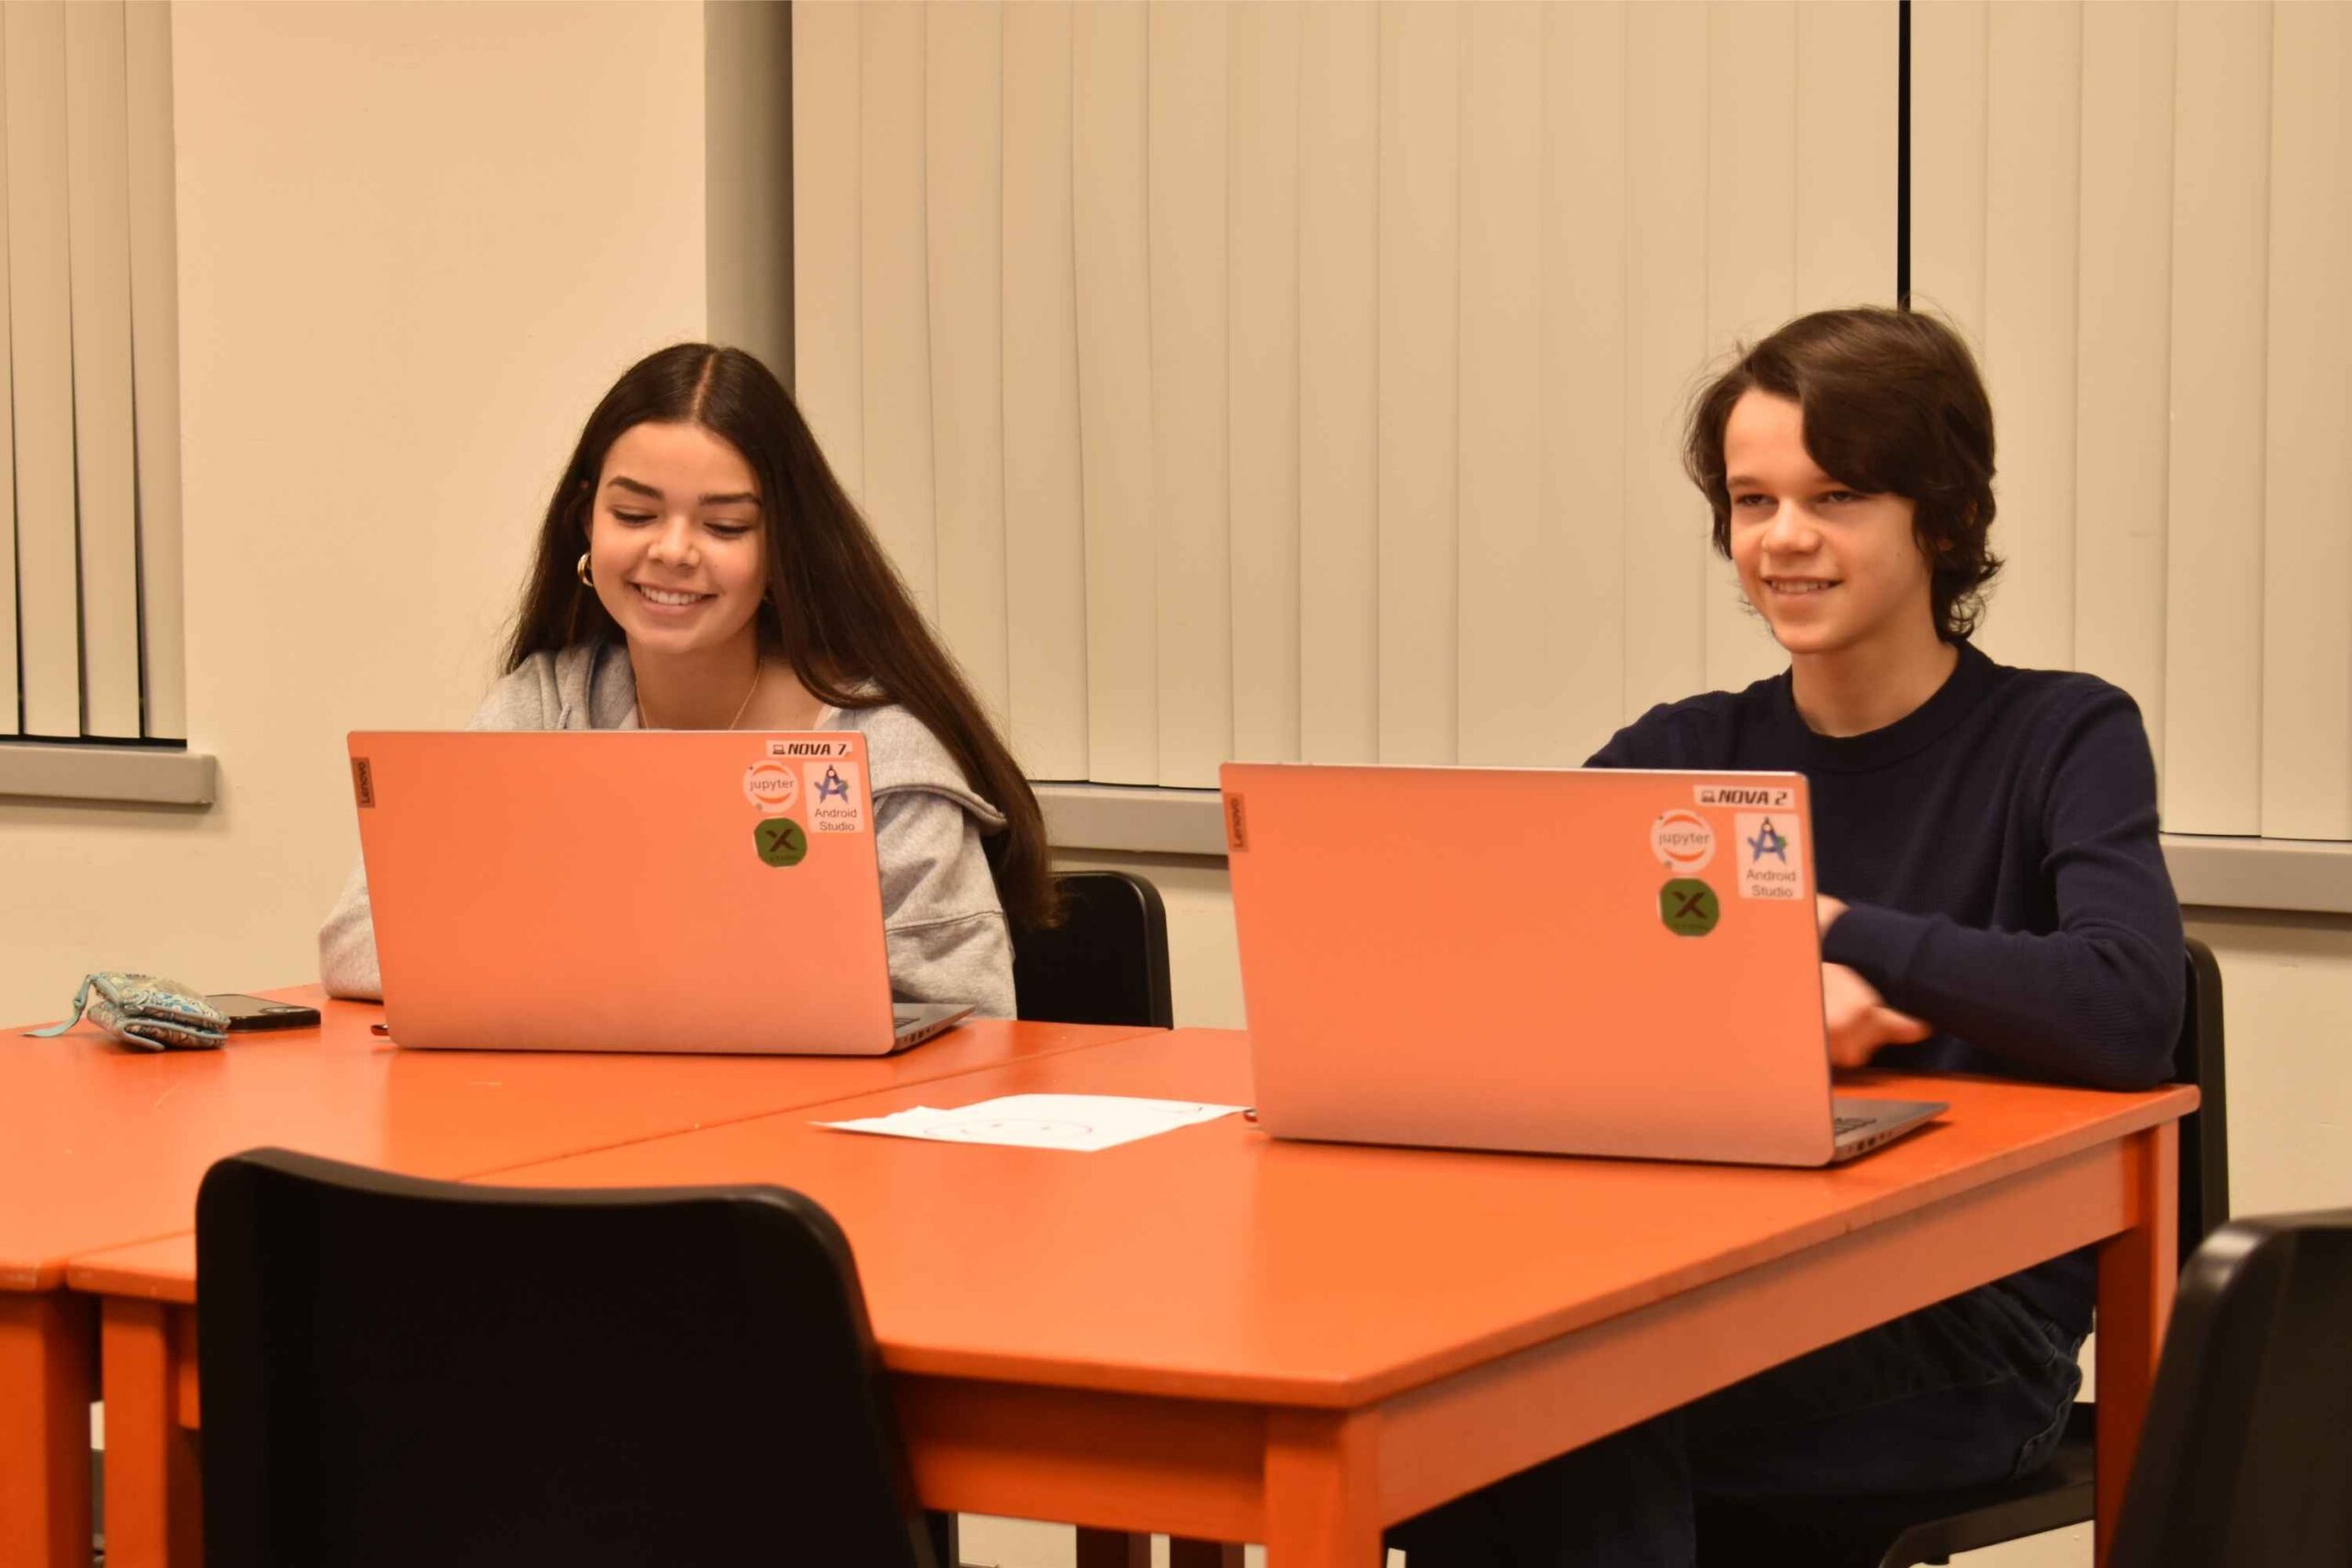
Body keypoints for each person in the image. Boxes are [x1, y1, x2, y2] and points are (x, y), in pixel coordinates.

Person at [1390, 307, 2185, 1565]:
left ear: (1940, 513)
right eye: (1754, 501)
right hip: (1706, 1283)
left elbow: (2132, 1001)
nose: (1786, 538)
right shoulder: (1683, 751)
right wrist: (1749, 1003)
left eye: (1838, 494)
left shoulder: (2062, 734)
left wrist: (1837, 935)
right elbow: (1513, 969)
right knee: (1460, 1411)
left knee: (1551, 1424)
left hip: (1964, 1328)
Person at [320, 343, 1049, 1018]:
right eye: (634, 514)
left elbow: (971, 1017)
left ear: (781, 550)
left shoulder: (879, 754)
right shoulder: (548, 705)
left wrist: (551, 951)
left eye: (725, 527)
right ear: (586, 523)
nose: (671, 551)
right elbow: (358, 939)